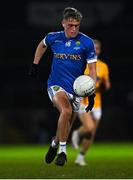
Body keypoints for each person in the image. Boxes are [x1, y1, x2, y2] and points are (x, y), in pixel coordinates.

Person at [29, 7, 97, 166]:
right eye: (70, 25)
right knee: (65, 111)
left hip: (76, 89)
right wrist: (35, 64)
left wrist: (91, 92)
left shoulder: (86, 42)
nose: (74, 29)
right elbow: (42, 45)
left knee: (66, 125)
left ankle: (55, 143)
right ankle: (62, 152)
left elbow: (92, 69)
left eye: (77, 26)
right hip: (55, 85)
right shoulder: (54, 37)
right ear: (63, 23)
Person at [71, 39, 111, 166]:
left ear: (100, 50)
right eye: (93, 48)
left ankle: (80, 157)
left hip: (97, 103)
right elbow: (74, 82)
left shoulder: (103, 66)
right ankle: (77, 133)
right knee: (89, 128)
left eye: (97, 48)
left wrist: (104, 85)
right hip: (84, 102)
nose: (95, 50)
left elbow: (107, 85)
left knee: (91, 133)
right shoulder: (81, 64)